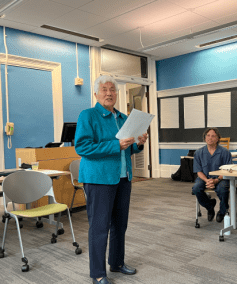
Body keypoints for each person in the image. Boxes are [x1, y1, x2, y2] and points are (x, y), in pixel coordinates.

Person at [75, 75, 148, 284]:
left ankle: (116, 263)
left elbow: (128, 149)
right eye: (104, 89)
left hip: (123, 178)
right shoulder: (88, 115)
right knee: (99, 226)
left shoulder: (124, 118)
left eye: (112, 90)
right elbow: (83, 147)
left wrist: (139, 143)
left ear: (117, 94)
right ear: (96, 93)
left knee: (120, 224)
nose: (109, 93)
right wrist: (115, 145)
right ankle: (98, 273)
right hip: (99, 180)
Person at [192, 127, 232, 223]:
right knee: (196, 188)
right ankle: (210, 206)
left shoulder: (225, 152)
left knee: (222, 190)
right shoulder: (198, 153)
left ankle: (222, 211)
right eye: (208, 135)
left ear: (218, 138)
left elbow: (227, 171)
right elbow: (199, 171)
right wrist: (207, 181)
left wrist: (216, 180)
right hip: (204, 178)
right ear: (205, 138)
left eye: (213, 136)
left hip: (221, 178)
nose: (210, 138)